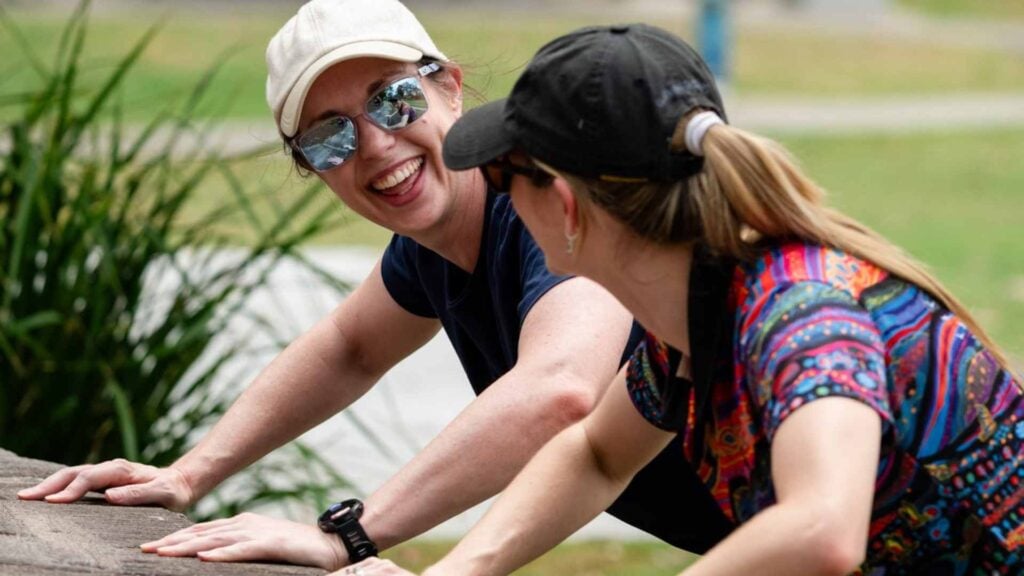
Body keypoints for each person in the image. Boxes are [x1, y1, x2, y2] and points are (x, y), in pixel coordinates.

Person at [17, 2, 735, 571]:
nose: (375, 144)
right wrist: (186, 475)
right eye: (329, 137)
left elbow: (559, 391)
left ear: (449, 87)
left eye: (393, 101)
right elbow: (350, 347)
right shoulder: (434, 248)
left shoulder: (551, 208)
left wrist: (348, 536)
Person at [355, 23, 1024, 575]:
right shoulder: (693, 317)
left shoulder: (799, 313)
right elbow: (596, 455)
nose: (494, 196)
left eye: (503, 176)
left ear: (565, 205)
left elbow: (822, 528)